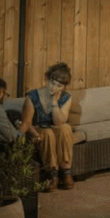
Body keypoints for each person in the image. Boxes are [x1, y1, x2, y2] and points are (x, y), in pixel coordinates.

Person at [19, 62, 76, 191]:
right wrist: (36, 135)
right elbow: (27, 123)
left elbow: (59, 122)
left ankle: (66, 172)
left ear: (64, 87)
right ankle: (52, 175)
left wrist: (54, 102)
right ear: (47, 79)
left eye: (59, 85)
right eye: (52, 82)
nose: (54, 87)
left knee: (65, 128)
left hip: (56, 127)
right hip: (37, 129)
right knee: (48, 133)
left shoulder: (66, 97)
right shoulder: (32, 96)